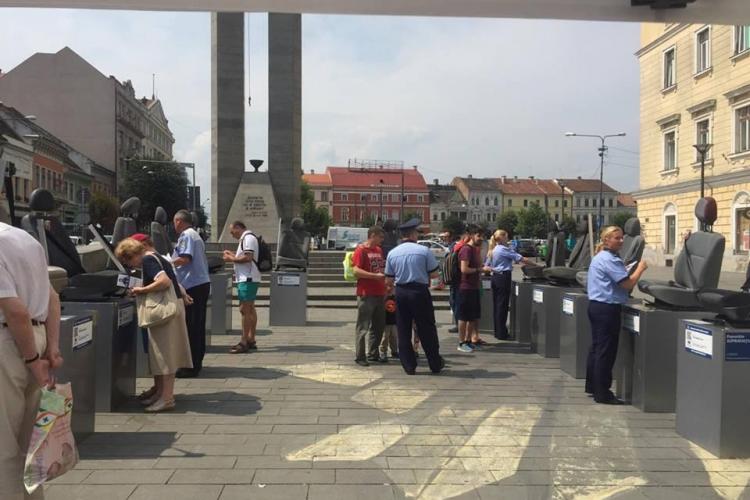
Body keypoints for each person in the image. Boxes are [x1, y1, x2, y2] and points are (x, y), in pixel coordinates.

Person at [0, 221, 63, 500]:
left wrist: (33, 360)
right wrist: (52, 349)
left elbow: (15, 312)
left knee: (4, 444)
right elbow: (52, 298)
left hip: (10, 344)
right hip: (35, 339)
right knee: (33, 442)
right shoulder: (26, 239)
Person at [116, 235, 193, 412]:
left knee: (165, 356)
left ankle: (167, 398)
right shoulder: (157, 257)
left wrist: (141, 290)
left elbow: (164, 281)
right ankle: (161, 394)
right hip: (172, 309)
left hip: (164, 313)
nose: (131, 266)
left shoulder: (148, 260)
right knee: (165, 354)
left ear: (132, 255)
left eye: (128, 262)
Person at [586, 226, 648, 405]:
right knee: (606, 351)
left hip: (596, 306)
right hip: (607, 308)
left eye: (622, 238)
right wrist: (640, 269)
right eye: (617, 238)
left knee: (597, 348)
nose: (621, 241)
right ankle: (602, 393)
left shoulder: (601, 256)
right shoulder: (610, 259)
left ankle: (593, 386)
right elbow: (627, 285)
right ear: (606, 240)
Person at [384, 218, 444, 375]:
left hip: (401, 292)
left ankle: (409, 365)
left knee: (403, 329)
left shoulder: (392, 253)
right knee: (427, 327)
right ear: (412, 234)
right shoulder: (424, 251)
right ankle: (434, 363)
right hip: (419, 292)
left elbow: (388, 280)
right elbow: (435, 274)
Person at [172, 209, 211, 378]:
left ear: (179, 221)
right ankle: (195, 362)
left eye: (174, 222)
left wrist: (166, 263)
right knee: (197, 325)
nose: (174, 226)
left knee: (192, 326)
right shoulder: (195, 235)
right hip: (199, 283)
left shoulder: (187, 235)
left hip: (193, 285)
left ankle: (191, 365)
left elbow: (185, 258)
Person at [484, 229, 530, 340]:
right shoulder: (503, 249)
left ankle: (498, 331)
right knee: (502, 306)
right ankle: (502, 333)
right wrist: (538, 265)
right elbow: (521, 258)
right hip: (503, 278)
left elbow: (486, 265)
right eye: (507, 237)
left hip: (495, 278)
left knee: (497, 306)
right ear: (502, 238)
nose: (508, 239)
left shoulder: (493, 249)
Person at [223, 221, 261, 354]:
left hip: (247, 278)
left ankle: (244, 342)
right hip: (249, 278)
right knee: (250, 309)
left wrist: (231, 259)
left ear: (238, 228)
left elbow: (247, 258)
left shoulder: (247, 238)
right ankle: (251, 339)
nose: (232, 234)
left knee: (244, 309)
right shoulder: (247, 239)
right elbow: (245, 257)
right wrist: (232, 255)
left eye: (232, 231)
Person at [352, 226, 387, 366]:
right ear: (372, 235)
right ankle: (360, 356)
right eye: (380, 237)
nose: (382, 240)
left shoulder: (378, 250)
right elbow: (356, 271)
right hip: (366, 293)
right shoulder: (361, 250)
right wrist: (374, 276)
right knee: (363, 326)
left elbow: (381, 268)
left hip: (380, 292)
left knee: (378, 326)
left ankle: (373, 353)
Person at [456, 225, 484, 352]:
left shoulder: (474, 250)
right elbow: (464, 269)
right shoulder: (466, 249)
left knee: (472, 316)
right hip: (465, 287)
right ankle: (461, 342)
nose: (481, 238)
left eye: (482, 236)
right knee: (463, 316)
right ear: (472, 235)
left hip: (474, 287)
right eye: (479, 236)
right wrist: (479, 270)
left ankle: (468, 341)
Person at [379, 294, 398, 361]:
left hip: (394, 322)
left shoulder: (396, 298)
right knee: (385, 337)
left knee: (394, 337)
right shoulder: (383, 299)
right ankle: (383, 352)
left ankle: (394, 351)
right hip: (386, 322)